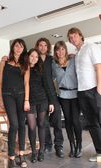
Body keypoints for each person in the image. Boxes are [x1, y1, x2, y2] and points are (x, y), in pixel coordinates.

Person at [67, 27, 101, 162]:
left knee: (100, 120)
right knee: (91, 123)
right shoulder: (77, 53)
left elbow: (99, 67)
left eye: (74, 36)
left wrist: (99, 87)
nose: (73, 39)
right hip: (81, 92)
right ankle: (99, 152)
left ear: (81, 35)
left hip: (93, 90)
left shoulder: (91, 47)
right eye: (70, 38)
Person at [0, 38, 30, 168]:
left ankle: (21, 154)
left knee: (22, 125)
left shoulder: (25, 64)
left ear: (23, 49)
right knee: (14, 124)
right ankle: (11, 156)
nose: (19, 48)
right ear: (13, 48)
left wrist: (27, 100)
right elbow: (0, 81)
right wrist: (0, 99)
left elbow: (26, 83)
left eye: (21, 47)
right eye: (17, 46)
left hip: (21, 96)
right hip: (8, 95)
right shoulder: (4, 62)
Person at [52, 41, 82, 158]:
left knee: (76, 120)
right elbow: (50, 78)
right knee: (68, 121)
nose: (60, 52)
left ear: (66, 50)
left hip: (75, 94)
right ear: (55, 52)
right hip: (63, 95)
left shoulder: (73, 60)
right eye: (58, 50)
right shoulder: (53, 65)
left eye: (62, 49)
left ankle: (79, 145)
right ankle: (72, 145)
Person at [35, 38, 64, 158]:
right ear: (37, 46)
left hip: (52, 94)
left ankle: (59, 146)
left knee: (57, 121)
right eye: (40, 45)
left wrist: (72, 56)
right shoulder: (34, 59)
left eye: (45, 45)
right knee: (44, 122)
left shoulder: (51, 60)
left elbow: (63, 61)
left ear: (48, 48)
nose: (42, 47)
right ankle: (47, 144)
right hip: (40, 96)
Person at [26, 48, 54, 163]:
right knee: (32, 127)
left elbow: (47, 85)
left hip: (42, 99)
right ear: (28, 56)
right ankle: (33, 151)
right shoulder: (24, 69)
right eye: (32, 56)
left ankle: (41, 151)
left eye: (36, 57)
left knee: (42, 124)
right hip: (30, 101)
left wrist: (51, 102)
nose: (34, 58)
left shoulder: (40, 69)